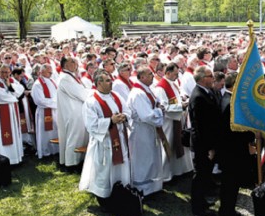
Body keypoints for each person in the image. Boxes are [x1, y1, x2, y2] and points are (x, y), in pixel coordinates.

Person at [79, 71, 131, 207]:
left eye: (110, 80)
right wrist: (110, 121)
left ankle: (122, 190)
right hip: (104, 141)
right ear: (99, 83)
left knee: (122, 164)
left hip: (120, 137)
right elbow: (91, 125)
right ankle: (104, 196)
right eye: (107, 80)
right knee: (105, 169)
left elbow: (127, 109)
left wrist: (124, 116)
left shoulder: (117, 96)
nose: (111, 82)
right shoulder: (91, 102)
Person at [217, 72, 254, 216]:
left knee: (231, 185)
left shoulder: (228, 99)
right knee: (229, 186)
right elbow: (233, 132)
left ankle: (228, 211)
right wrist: (251, 135)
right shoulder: (229, 104)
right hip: (231, 153)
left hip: (231, 153)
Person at [189, 65, 222, 216]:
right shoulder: (198, 96)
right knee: (200, 175)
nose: (213, 78)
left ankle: (202, 200)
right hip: (203, 144)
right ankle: (197, 206)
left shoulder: (207, 92)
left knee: (205, 174)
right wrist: (209, 147)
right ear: (202, 79)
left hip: (209, 141)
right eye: (210, 76)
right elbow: (200, 126)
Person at [127, 66, 165, 196]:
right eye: (149, 74)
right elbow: (146, 115)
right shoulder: (138, 93)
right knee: (143, 158)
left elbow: (156, 103)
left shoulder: (147, 89)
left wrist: (158, 108)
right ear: (142, 77)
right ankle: (142, 188)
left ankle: (152, 186)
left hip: (149, 129)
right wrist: (160, 111)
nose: (152, 76)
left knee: (151, 156)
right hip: (141, 130)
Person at [153, 62, 193, 182]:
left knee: (179, 144)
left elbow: (176, 98)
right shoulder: (161, 87)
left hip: (177, 119)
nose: (177, 76)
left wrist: (183, 99)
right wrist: (182, 106)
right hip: (168, 122)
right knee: (168, 146)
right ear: (168, 73)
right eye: (175, 74)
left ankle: (179, 170)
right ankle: (166, 175)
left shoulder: (173, 84)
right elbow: (165, 107)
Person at [57, 56, 91, 170]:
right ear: (65, 65)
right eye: (72, 62)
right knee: (74, 137)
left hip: (78, 110)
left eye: (76, 62)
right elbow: (80, 93)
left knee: (81, 136)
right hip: (72, 113)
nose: (75, 64)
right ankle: (71, 163)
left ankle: (79, 159)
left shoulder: (71, 76)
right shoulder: (65, 78)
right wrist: (95, 94)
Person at [0, 64, 24, 165]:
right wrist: (14, 97)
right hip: (1, 112)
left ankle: (16, 158)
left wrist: (9, 86)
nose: (5, 74)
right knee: (5, 135)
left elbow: (20, 90)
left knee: (15, 133)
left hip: (13, 111)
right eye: (2, 72)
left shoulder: (10, 80)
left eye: (7, 72)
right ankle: (7, 159)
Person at [31, 63, 60, 159]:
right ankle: (45, 151)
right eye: (49, 71)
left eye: (51, 71)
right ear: (42, 71)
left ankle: (55, 150)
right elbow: (40, 100)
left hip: (55, 110)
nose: (51, 73)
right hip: (45, 112)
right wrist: (56, 103)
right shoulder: (38, 84)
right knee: (45, 133)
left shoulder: (52, 81)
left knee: (55, 130)